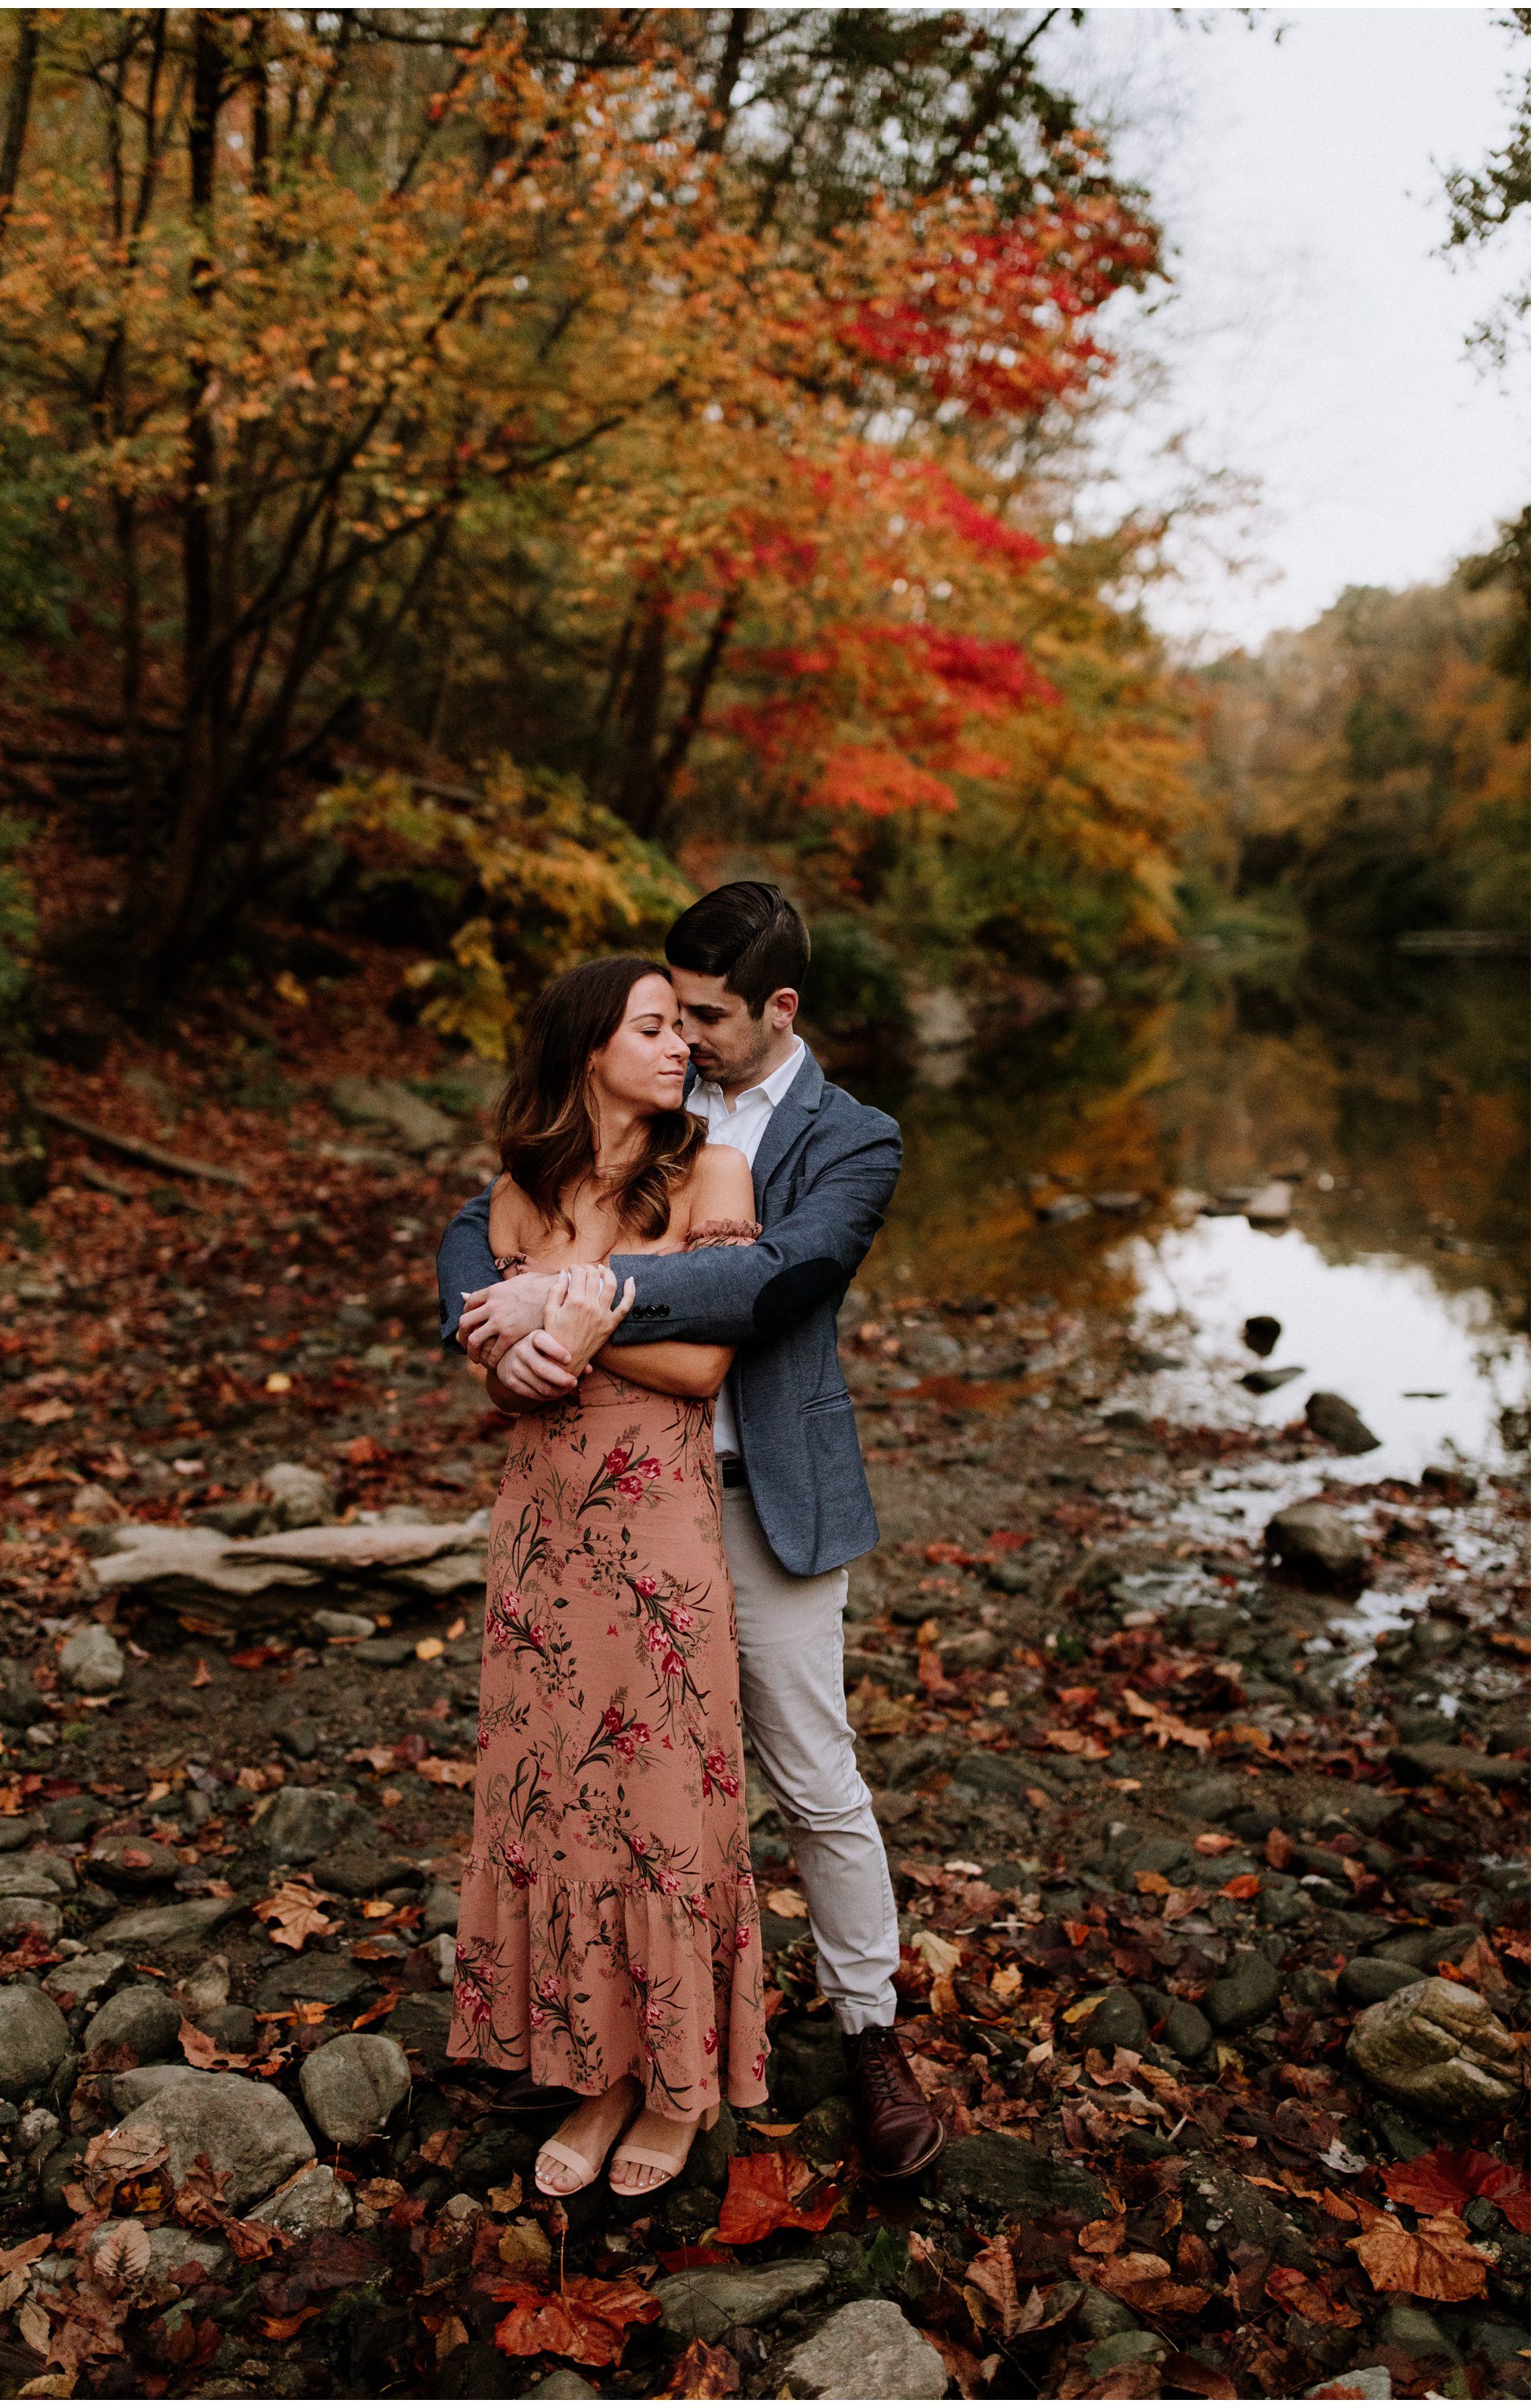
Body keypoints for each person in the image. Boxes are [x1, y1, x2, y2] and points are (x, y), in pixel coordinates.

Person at [440, 883, 944, 2183]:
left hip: (754, 1494)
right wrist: (482, 1315)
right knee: (595, 1781)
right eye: (667, 1011)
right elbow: (474, 1225)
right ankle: (596, 2039)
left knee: (810, 1775)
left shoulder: (851, 1138)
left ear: (777, 1008)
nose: (689, 1036)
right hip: (592, 1506)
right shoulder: (632, 1112)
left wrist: (564, 1295)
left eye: (708, 1015)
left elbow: (773, 1279)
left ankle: (870, 2030)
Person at [446, 954, 772, 2199]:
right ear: (591, 1045)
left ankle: (678, 2083)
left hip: (656, 1537)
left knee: (659, 1791)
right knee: (553, 1793)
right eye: (652, 1026)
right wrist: (517, 1355)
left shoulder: (712, 1172)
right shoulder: (521, 1193)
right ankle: (595, 2070)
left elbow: (704, 1367)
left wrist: (573, 1326)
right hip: (541, 1525)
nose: (680, 1042)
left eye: (684, 1025)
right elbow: (490, 1357)